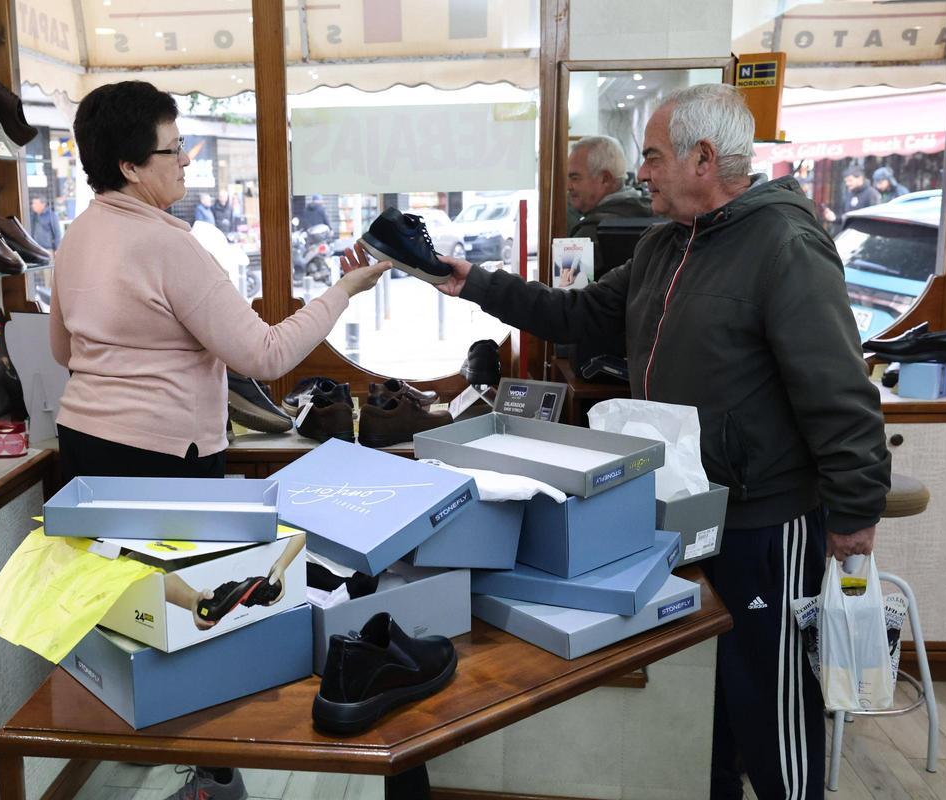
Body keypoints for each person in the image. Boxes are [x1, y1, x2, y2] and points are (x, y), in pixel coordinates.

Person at [350, 84, 890, 800]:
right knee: (716, 695)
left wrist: (855, 511)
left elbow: (837, 389)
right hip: (690, 510)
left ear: (704, 158)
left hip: (767, 516)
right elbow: (578, 313)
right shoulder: (667, 243)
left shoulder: (784, 245)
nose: (644, 173)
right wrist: (471, 280)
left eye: (655, 157)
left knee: (772, 694)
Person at [49, 80, 389, 800]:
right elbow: (264, 356)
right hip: (160, 462)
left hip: (83, 450)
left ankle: (156, 751)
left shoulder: (77, 236)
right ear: (133, 165)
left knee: (117, 619)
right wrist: (342, 293)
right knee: (191, 622)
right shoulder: (169, 245)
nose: (187, 166)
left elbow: (62, 349)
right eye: (175, 152)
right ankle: (212, 777)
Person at [564, 135, 653, 275]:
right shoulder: (656, 218)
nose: (568, 186)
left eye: (575, 178)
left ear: (605, 179)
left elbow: (567, 289)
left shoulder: (586, 237)